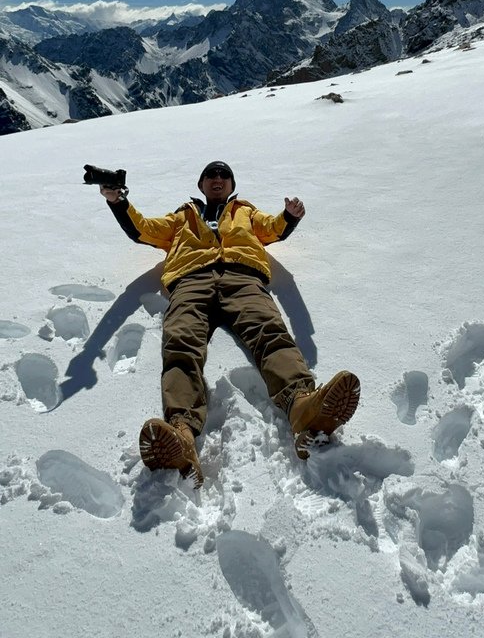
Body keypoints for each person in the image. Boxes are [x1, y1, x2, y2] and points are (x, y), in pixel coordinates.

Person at [99, 160, 360, 487]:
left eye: (223, 174)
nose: (217, 178)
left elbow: (273, 228)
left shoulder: (245, 211)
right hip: (190, 281)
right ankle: (181, 432)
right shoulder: (182, 216)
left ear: (231, 183)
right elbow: (144, 229)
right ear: (201, 184)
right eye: (211, 174)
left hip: (243, 278)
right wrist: (118, 201)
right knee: (181, 345)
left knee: (271, 333)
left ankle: (304, 408)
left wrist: (290, 215)